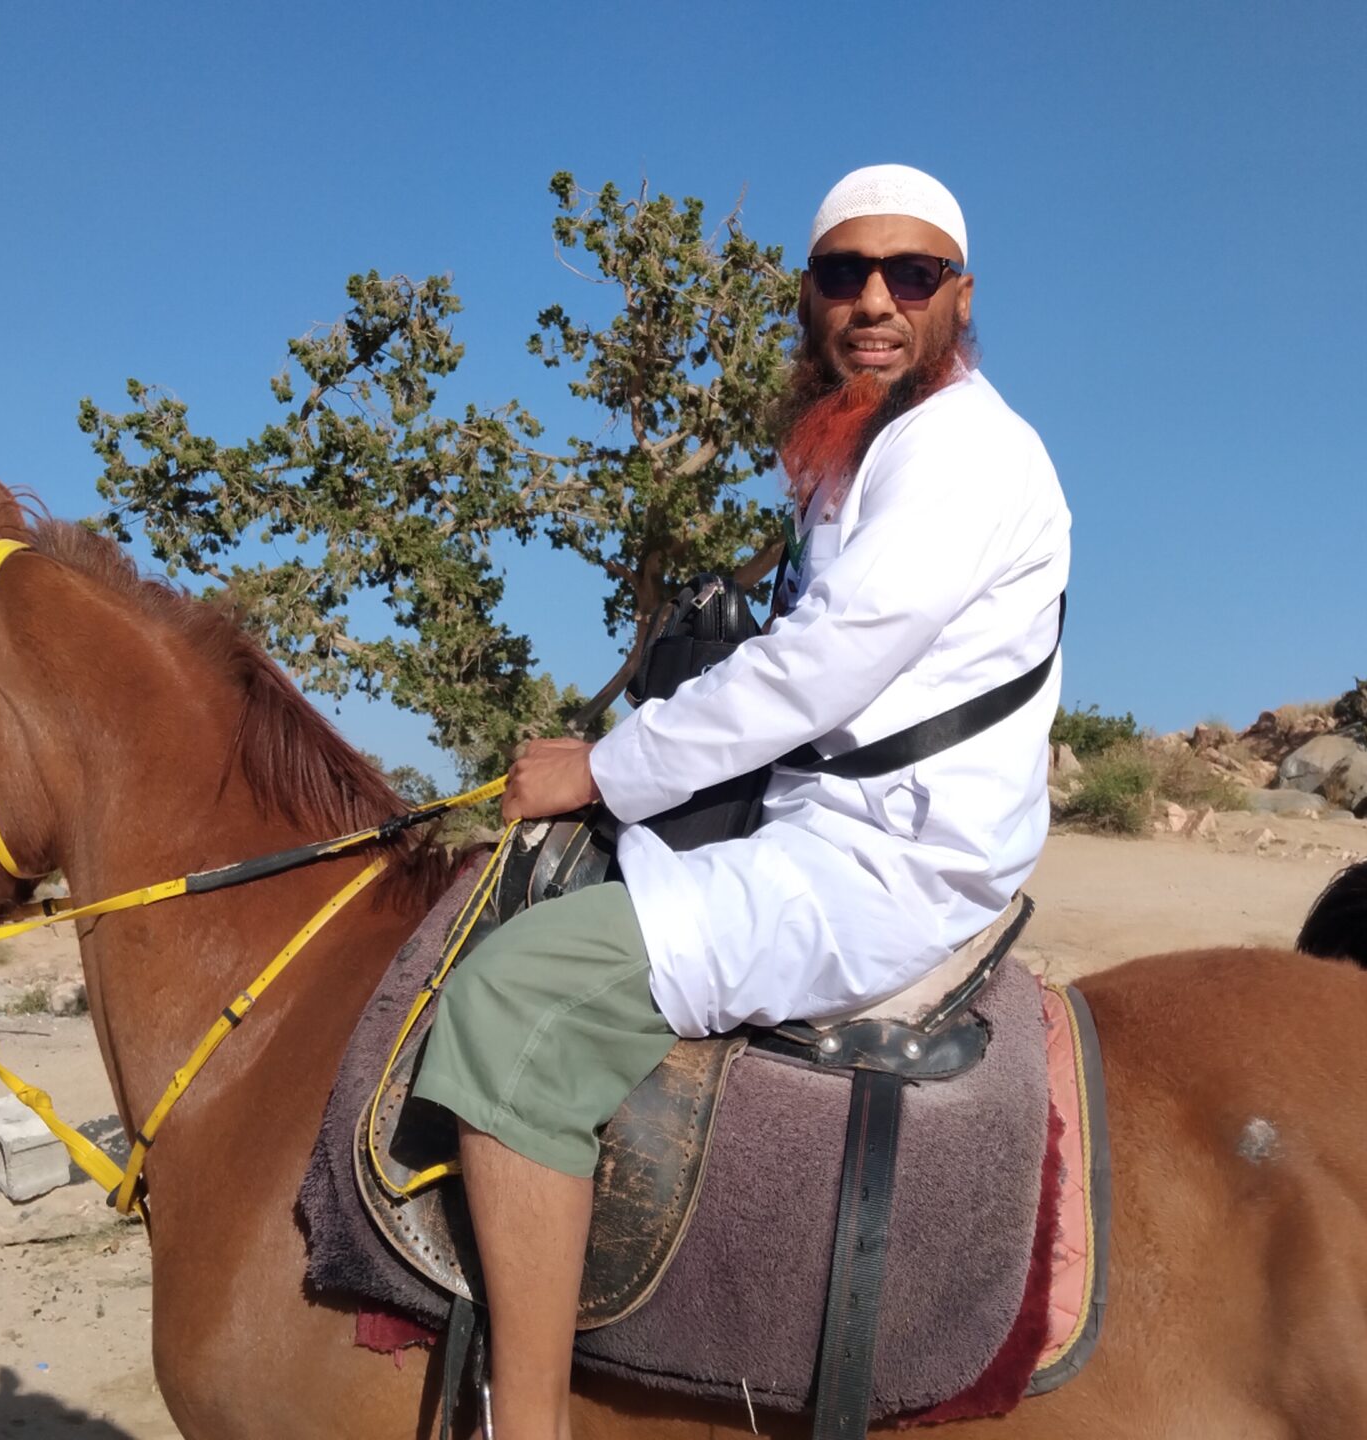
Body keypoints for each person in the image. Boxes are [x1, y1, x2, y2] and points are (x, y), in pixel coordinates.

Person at [407, 162, 1072, 1439]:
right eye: (843, 273)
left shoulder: (966, 454)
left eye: (910, 275)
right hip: (823, 828)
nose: (873, 301)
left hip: (882, 864)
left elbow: (818, 667)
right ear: (810, 294)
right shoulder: (863, 448)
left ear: (958, 296)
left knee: (512, 999)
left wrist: (603, 767)